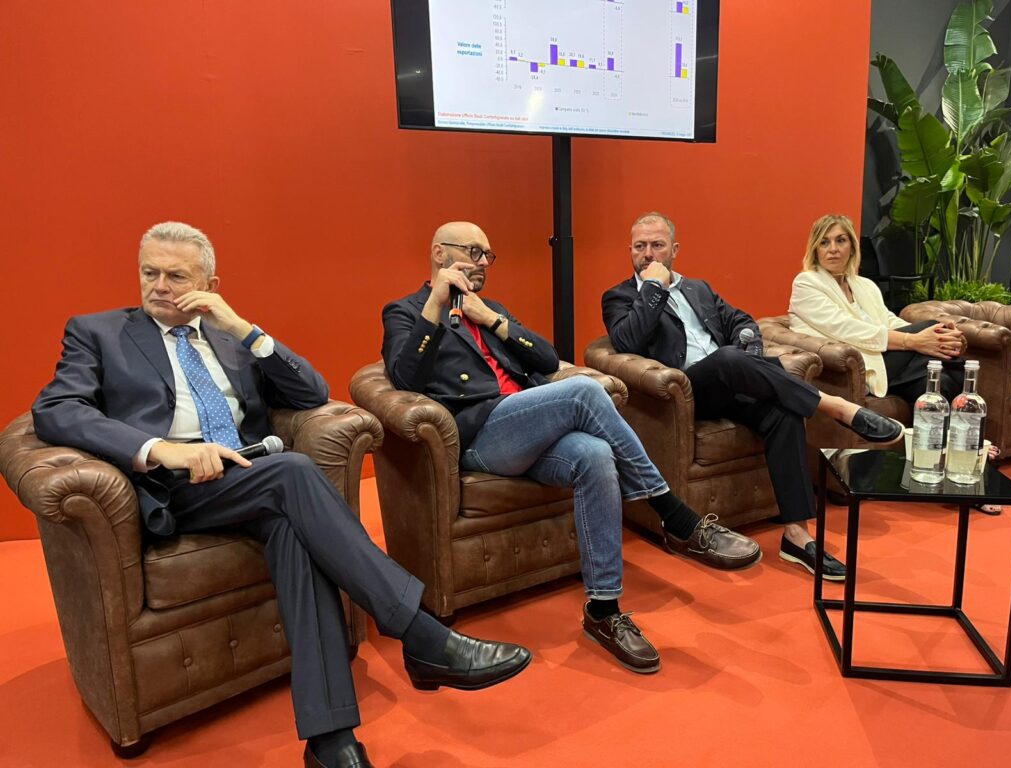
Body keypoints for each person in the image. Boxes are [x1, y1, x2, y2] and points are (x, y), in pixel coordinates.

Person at [32, 222, 532, 768]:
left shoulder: (228, 336)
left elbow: (311, 392)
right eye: (150, 272)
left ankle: (331, 741)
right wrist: (159, 450)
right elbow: (57, 409)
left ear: (210, 285)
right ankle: (421, 635)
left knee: (293, 530)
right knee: (292, 472)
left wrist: (244, 329)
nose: (160, 286)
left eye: (177, 276)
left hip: (247, 477)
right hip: (173, 487)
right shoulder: (99, 332)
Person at [382, 221, 761, 676]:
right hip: (482, 438)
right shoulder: (405, 311)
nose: (483, 263)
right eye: (473, 252)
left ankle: (603, 611)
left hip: (528, 426)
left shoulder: (491, 308)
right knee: (583, 391)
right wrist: (436, 306)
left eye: (488, 255)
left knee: (595, 456)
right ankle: (675, 516)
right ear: (440, 254)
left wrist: (494, 321)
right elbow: (404, 378)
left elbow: (545, 358)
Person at [601, 212, 905, 582]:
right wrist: (653, 287)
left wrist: (750, 355)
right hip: (686, 395)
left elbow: (742, 321)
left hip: (734, 380)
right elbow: (627, 341)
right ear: (630, 251)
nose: (648, 253)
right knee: (727, 359)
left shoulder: (698, 288)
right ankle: (835, 406)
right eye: (640, 246)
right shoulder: (620, 297)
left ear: (675, 250)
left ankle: (797, 535)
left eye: (657, 245)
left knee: (782, 410)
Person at [788, 214, 1004, 515]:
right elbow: (847, 329)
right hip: (862, 365)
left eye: (840, 240)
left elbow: (889, 321)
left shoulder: (863, 285)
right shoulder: (807, 283)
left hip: (891, 362)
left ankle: (954, 478)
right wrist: (918, 339)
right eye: (824, 242)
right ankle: (973, 448)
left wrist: (932, 338)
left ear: (852, 246)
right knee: (939, 345)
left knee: (937, 381)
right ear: (815, 249)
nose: (833, 249)